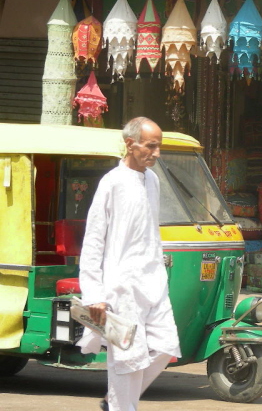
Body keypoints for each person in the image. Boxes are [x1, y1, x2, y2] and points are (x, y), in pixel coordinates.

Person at [78, 117, 181, 411]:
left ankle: (114, 403)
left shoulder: (153, 180)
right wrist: (94, 294)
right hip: (120, 288)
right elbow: (94, 240)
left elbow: (151, 232)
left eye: (159, 147)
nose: (157, 154)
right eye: (151, 146)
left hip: (153, 282)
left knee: (165, 347)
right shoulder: (112, 183)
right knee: (127, 359)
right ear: (130, 144)